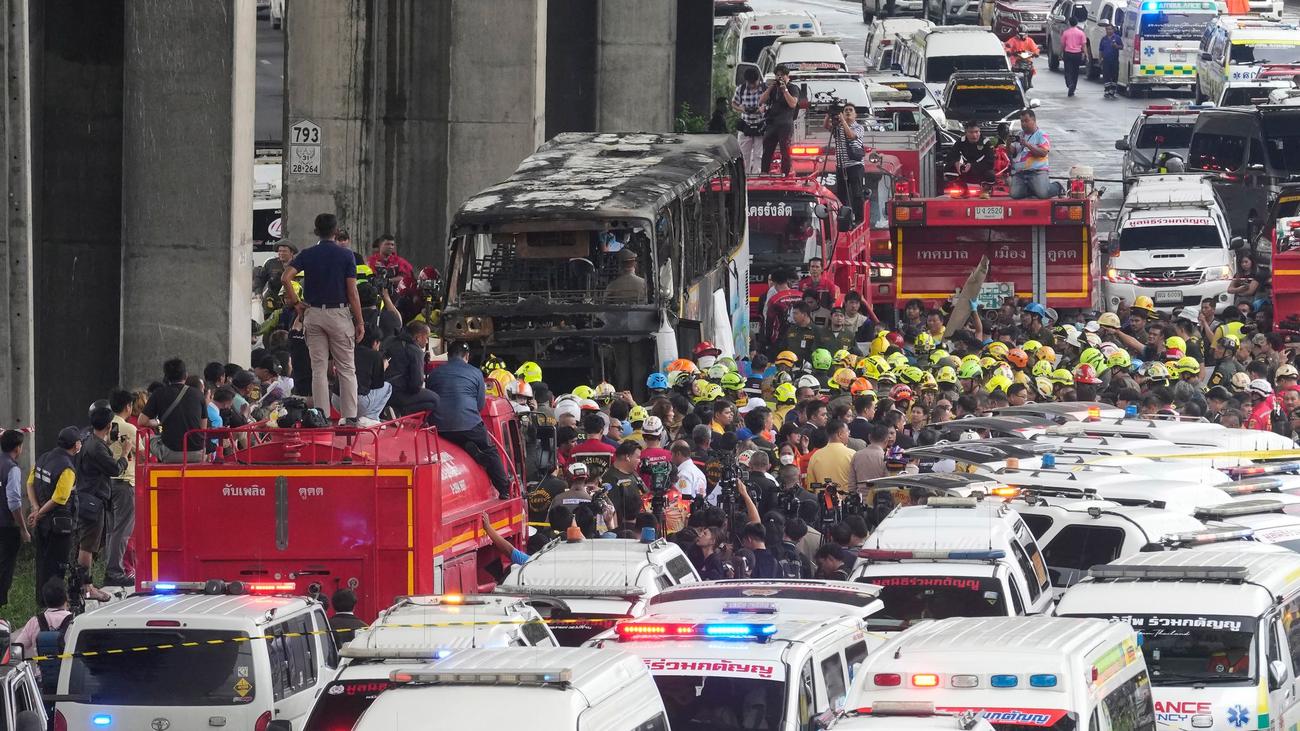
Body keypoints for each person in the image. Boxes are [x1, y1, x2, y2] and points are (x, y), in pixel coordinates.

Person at [282, 213, 364, 425]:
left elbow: (285, 277)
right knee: (346, 368)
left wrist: (296, 302)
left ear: (316, 231)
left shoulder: (307, 254)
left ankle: (322, 417)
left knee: (317, 368)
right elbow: (352, 292)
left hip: (313, 313)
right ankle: (349, 418)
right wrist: (360, 321)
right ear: (336, 231)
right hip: (338, 314)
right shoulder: (346, 256)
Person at [426, 342, 512, 499]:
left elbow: (430, 400)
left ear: (448, 356)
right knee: (490, 450)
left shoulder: (434, 374)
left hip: (439, 428)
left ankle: (468, 448)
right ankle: (504, 490)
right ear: (467, 356)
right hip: (469, 424)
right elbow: (479, 405)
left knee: (456, 440)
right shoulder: (476, 373)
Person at [26, 427, 81, 605]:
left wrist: (35, 508)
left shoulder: (43, 458)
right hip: (58, 525)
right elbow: (60, 497)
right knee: (56, 567)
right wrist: (39, 513)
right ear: (75, 445)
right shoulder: (67, 468)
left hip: (43, 525)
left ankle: (42, 603)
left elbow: (30, 483)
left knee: (43, 564)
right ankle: (55, 607)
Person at [77, 405, 126, 602]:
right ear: (108, 425)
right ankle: (86, 587)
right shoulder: (96, 447)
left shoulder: (88, 439)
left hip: (88, 497)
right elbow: (114, 469)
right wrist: (124, 454)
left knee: (89, 544)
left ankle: (84, 584)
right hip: (93, 501)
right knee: (87, 546)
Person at [140, 358, 207, 462]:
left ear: (166, 377)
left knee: (147, 439)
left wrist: (158, 422)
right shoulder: (198, 394)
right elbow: (203, 429)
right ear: (186, 375)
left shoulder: (159, 393)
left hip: (171, 453)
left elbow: (142, 421)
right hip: (198, 453)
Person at [384, 322, 440, 419]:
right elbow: (416, 384)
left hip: (382, 391)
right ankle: (399, 411)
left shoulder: (391, 341)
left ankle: (392, 409)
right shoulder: (415, 351)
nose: (427, 341)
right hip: (398, 393)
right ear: (418, 337)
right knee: (435, 399)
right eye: (426, 337)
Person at [826, 103, 866, 223]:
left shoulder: (859, 127)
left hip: (855, 165)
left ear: (855, 114)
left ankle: (859, 219)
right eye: (845, 110)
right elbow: (826, 126)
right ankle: (843, 218)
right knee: (841, 194)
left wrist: (842, 121)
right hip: (841, 165)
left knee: (856, 193)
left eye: (850, 110)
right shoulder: (838, 128)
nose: (848, 112)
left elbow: (851, 136)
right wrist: (829, 115)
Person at [0, 430, 26, 608]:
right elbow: (14, 502)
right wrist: (23, 528)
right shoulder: (12, 468)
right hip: (6, 526)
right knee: (4, 568)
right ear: (18, 448)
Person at [760, 65, 800, 175]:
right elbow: (761, 100)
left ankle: (785, 173)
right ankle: (764, 172)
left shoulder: (793, 88)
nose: (779, 77)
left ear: (787, 76)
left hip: (785, 123)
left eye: (782, 75)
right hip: (772, 123)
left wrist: (784, 90)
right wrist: (770, 87)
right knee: (767, 150)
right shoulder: (773, 88)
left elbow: (792, 104)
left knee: (785, 150)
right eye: (777, 75)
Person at [348, 328, 392, 423]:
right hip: (357, 403)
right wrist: (382, 368)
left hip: (336, 399)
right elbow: (377, 385)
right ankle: (371, 418)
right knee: (388, 387)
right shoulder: (376, 355)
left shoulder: (349, 350)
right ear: (376, 342)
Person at [1009, 110, 1052, 200]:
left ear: (1034, 120)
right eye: (1022, 121)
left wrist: (1027, 144)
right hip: (1020, 172)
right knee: (1014, 195)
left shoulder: (1042, 135)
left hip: (1037, 171)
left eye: (1026, 121)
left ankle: (1058, 187)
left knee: (1043, 194)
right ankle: (1031, 189)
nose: (1023, 124)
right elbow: (1010, 152)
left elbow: (1043, 153)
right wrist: (1007, 143)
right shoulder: (1019, 135)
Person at [731, 66, 766, 174]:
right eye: (750, 83)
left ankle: (756, 175)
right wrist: (742, 109)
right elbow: (734, 104)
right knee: (743, 154)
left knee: (758, 154)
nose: (752, 85)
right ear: (746, 81)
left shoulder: (764, 89)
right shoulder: (741, 89)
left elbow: (769, 104)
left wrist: (762, 109)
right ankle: (744, 176)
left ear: (758, 79)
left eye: (754, 83)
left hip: (760, 125)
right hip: (745, 125)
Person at [805, 420, 855, 490]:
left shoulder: (815, 456)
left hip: (821, 499)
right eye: (847, 432)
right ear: (840, 434)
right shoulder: (852, 454)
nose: (849, 435)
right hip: (845, 499)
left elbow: (811, 486)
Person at [1061, 17, 1087, 96]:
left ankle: (1069, 83)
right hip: (1077, 54)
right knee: (1075, 71)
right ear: (1076, 23)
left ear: (1069, 23)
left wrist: (1061, 52)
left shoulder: (1065, 33)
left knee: (1068, 71)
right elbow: (1084, 45)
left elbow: (1063, 44)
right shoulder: (1081, 33)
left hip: (1068, 53)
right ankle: (1073, 88)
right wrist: (1085, 54)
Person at [1098, 24, 1123, 99]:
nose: (1109, 31)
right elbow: (1101, 50)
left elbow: (1121, 47)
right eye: (1107, 29)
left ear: (1113, 30)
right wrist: (1100, 59)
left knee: (1114, 75)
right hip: (1106, 60)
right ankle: (1107, 90)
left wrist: (1116, 46)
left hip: (1114, 60)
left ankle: (1112, 90)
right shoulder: (1103, 39)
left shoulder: (1117, 38)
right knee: (1106, 75)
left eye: (1110, 29)